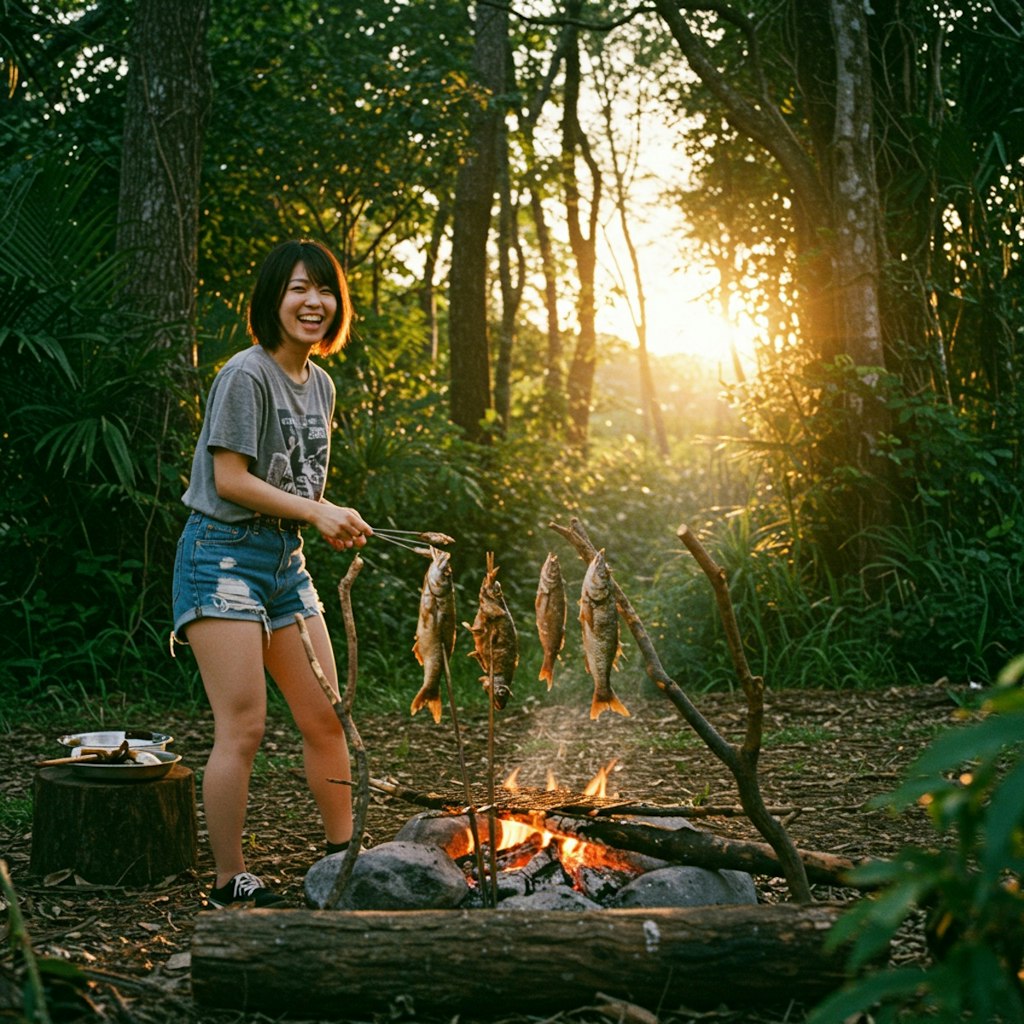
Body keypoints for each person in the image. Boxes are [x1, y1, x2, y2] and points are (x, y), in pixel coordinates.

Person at [171, 239, 372, 908]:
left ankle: (343, 859)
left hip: (287, 563)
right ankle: (231, 879)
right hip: (222, 554)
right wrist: (317, 511)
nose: (314, 302)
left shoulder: (321, 384)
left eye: (325, 290)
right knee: (245, 726)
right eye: (298, 289)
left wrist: (326, 521)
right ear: (272, 299)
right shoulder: (245, 375)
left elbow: (297, 481)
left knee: (327, 718)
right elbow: (230, 479)